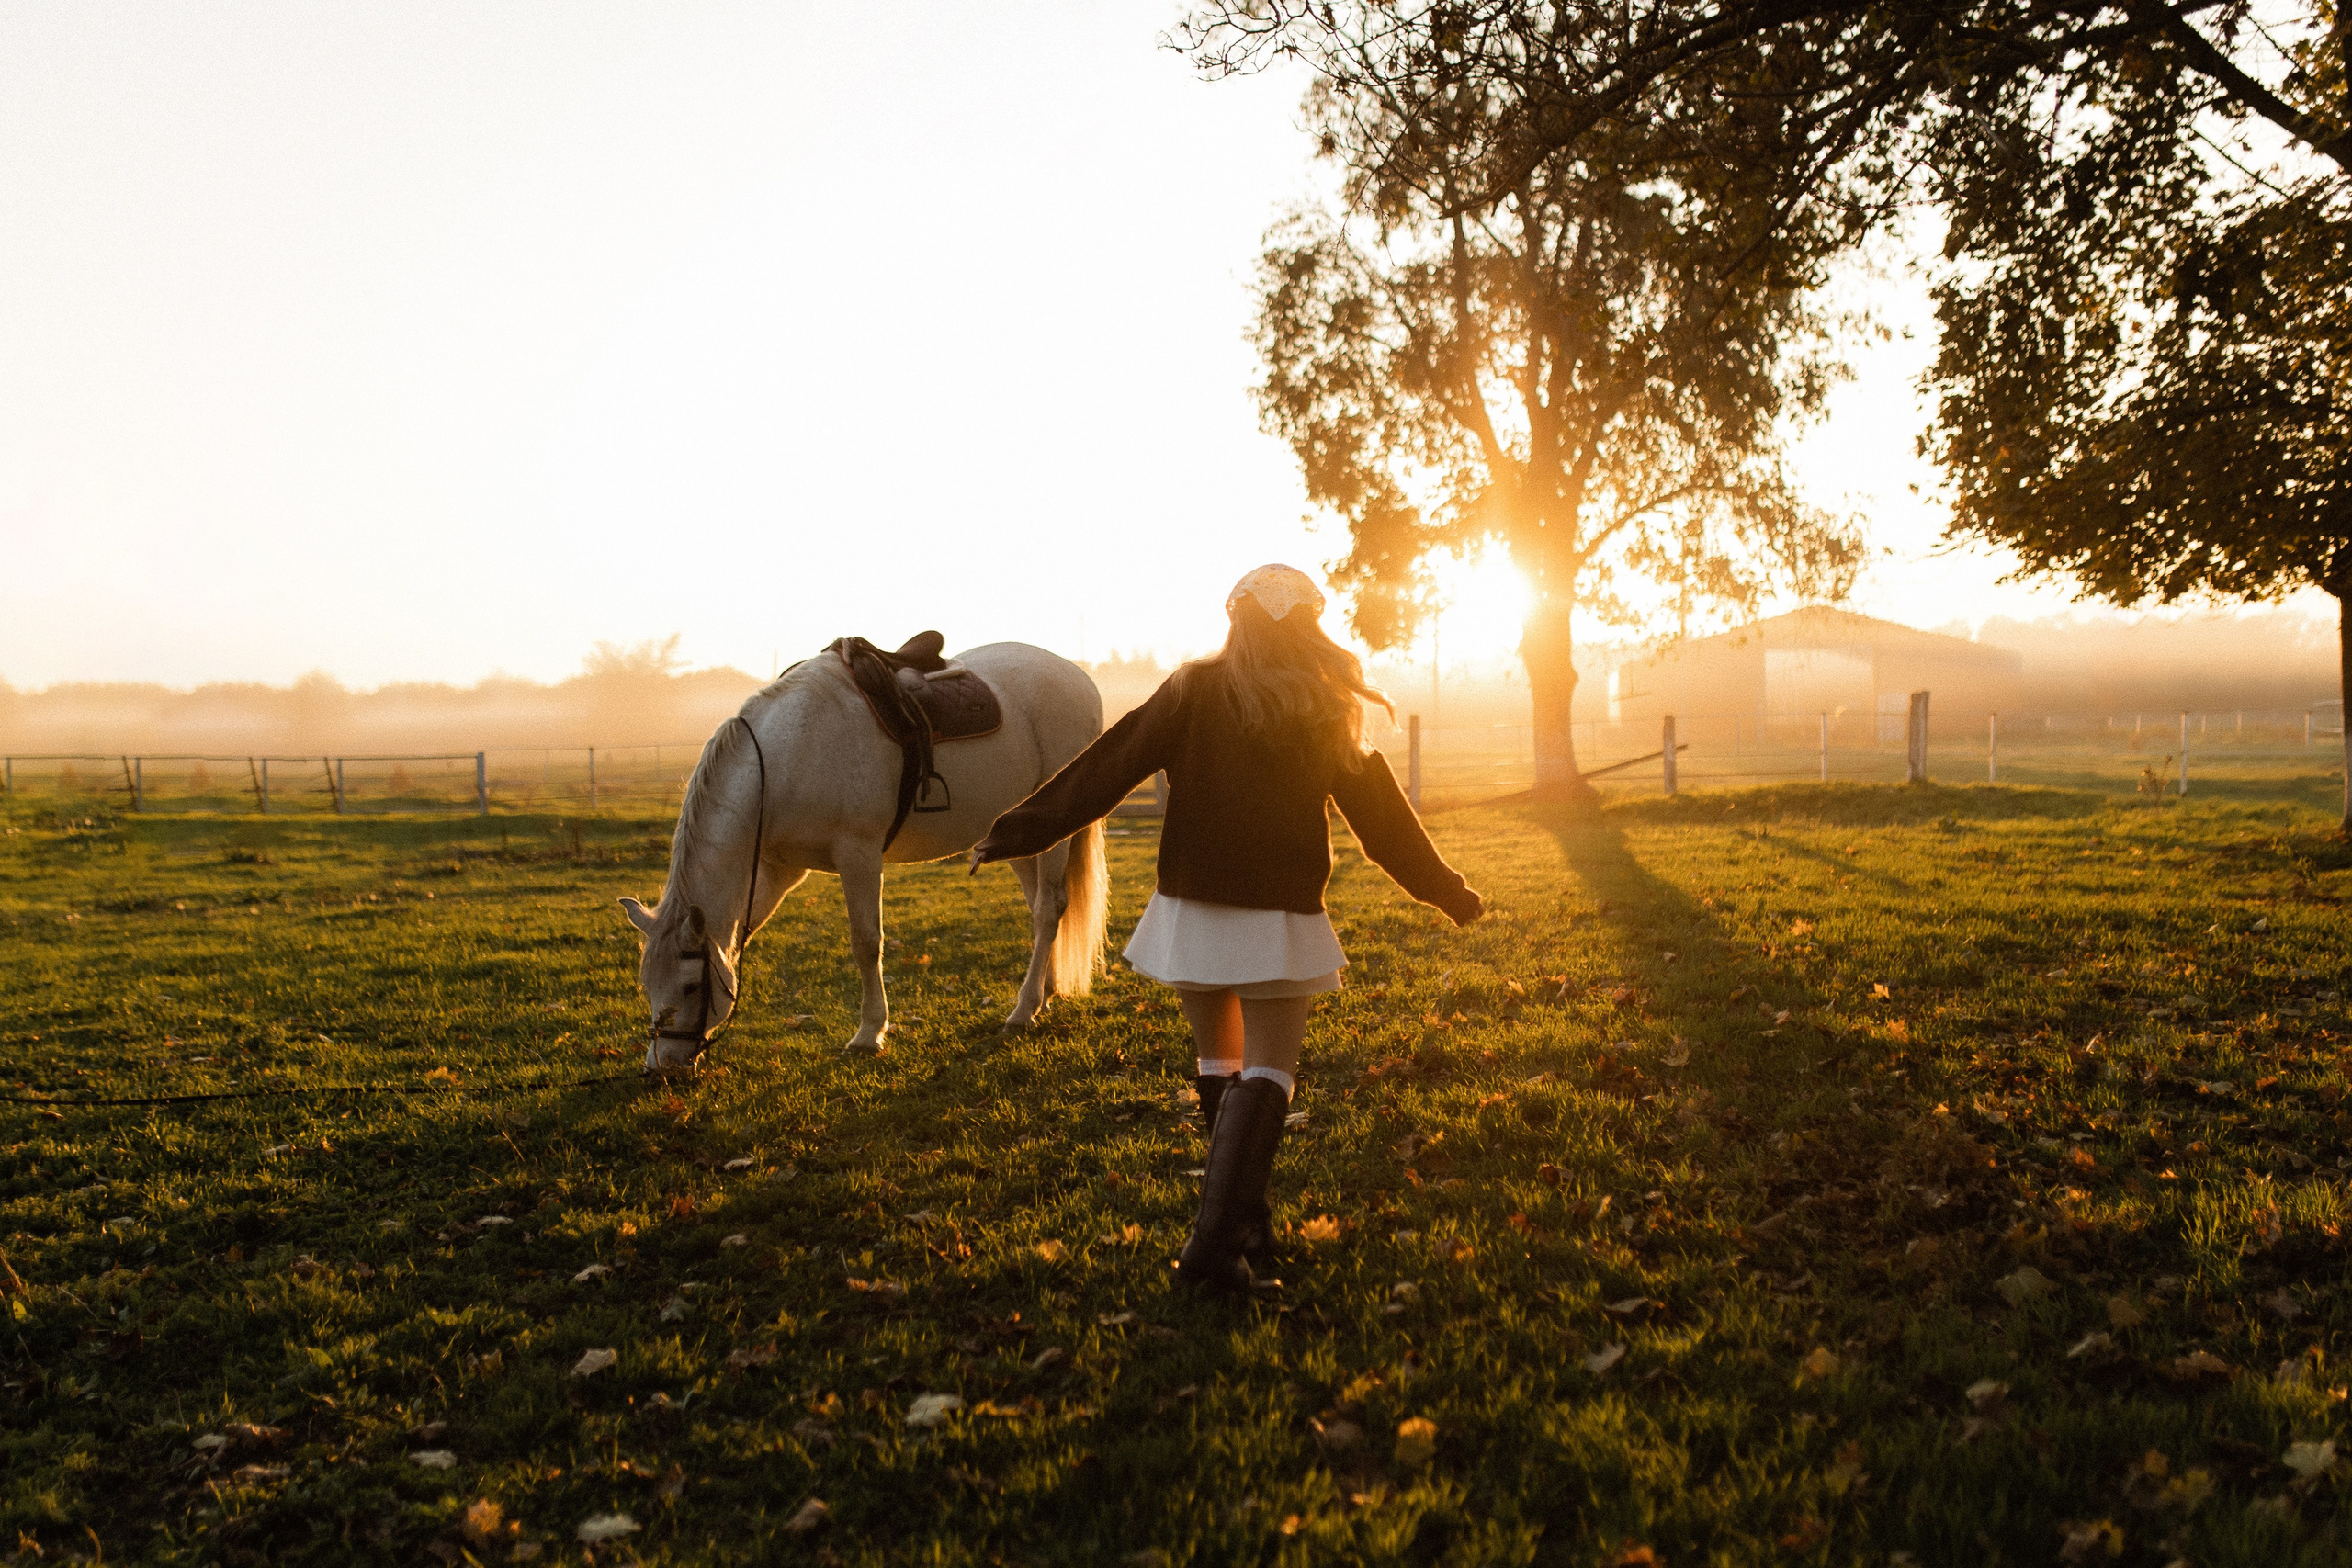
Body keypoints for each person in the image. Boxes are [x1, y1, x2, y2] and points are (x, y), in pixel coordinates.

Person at [969, 564, 1485, 1292]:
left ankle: (1243, 1224)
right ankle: (1212, 1252)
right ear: (1313, 625)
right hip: (1276, 914)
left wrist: (1016, 830)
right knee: (1270, 1072)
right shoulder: (1326, 703)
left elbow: (1106, 768)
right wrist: (1448, 891)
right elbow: (1383, 824)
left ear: (1234, 618)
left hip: (1191, 910)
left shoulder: (1191, 690)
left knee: (1222, 1065)